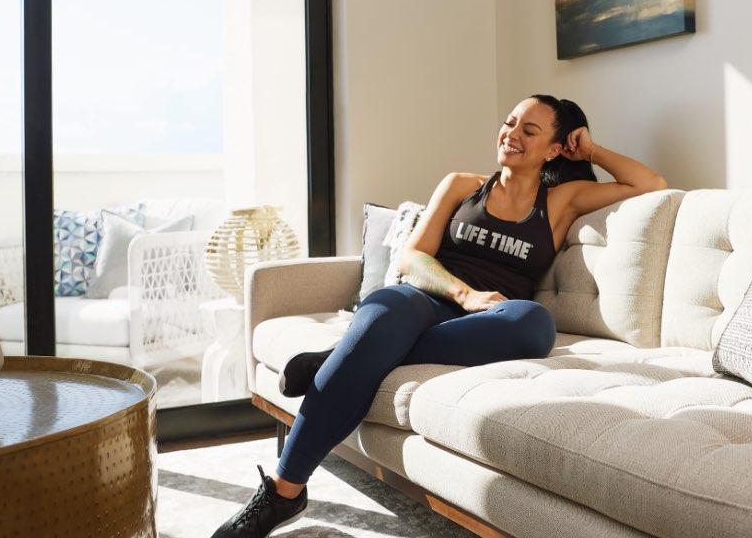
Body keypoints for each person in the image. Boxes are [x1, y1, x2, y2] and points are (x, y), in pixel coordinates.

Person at [211, 94, 667, 538]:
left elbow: (651, 185)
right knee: (390, 305)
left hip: (487, 322)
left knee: (535, 323)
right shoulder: (462, 185)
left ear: (554, 148)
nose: (512, 134)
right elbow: (412, 258)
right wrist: (463, 293)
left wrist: (592, 151)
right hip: (422, 302)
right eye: (510, 122)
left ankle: (340, 355)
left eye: (530, 130)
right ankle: (282, 492)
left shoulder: (561, 199)